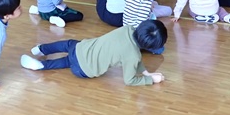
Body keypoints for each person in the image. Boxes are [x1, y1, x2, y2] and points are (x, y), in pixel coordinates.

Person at [19, 20, 166, 86]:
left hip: (80, 49)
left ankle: (41, 49)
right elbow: (130, 80)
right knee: (67, 62)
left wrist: (146, 73)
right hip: (83, 71)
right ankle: (42, 65)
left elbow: (134, 59)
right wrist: (150, 80)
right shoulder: (133, 55)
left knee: (67, 44)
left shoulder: (127, 29)